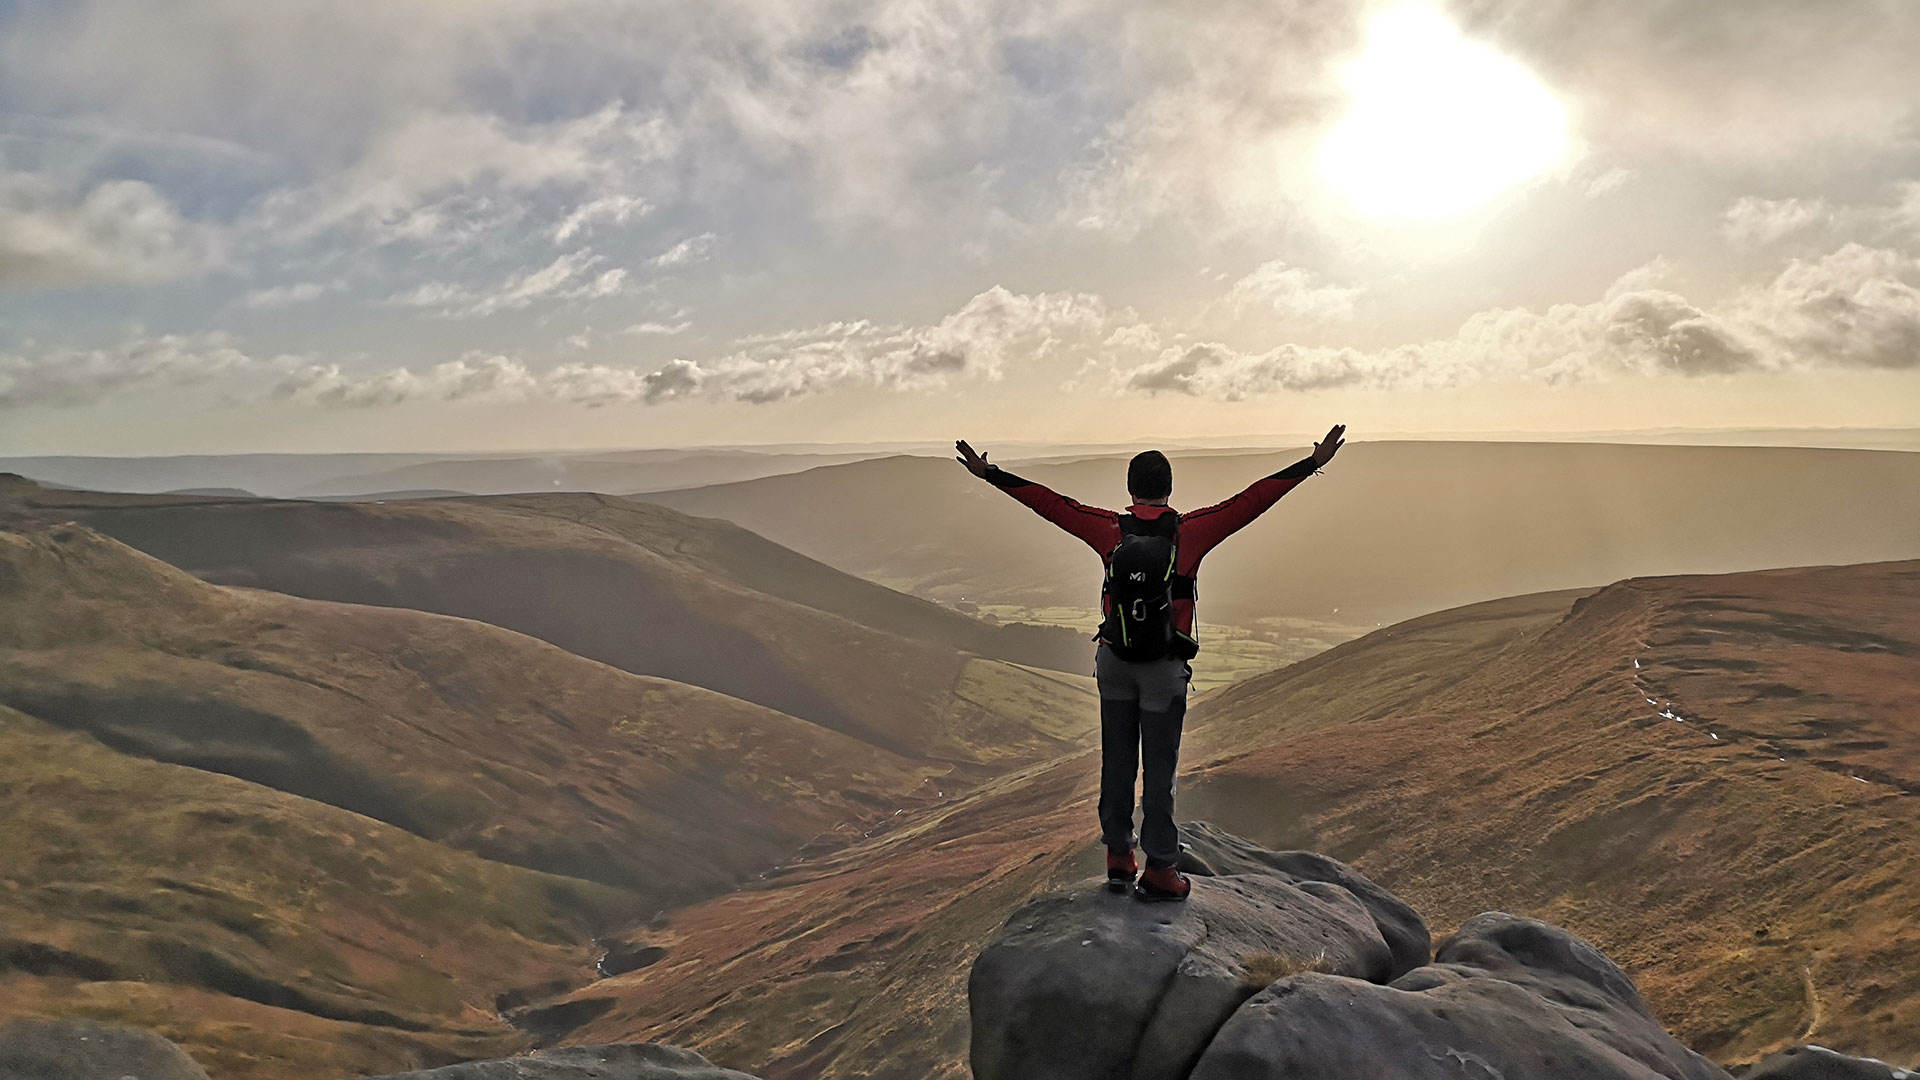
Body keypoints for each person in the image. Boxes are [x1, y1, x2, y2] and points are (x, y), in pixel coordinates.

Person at [955, 426, 1346, 901]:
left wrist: (988, 473)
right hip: (1164, 670)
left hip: (1114, 662)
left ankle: (1118, 857)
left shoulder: (1108, 529)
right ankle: (1161, 867)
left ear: (1130, 489)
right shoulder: (1191, 532)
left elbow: (1050, 504)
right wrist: (1312, 462)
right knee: (1160, 770)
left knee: (1116, 761)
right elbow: (1251, 501)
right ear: (1169, 489)